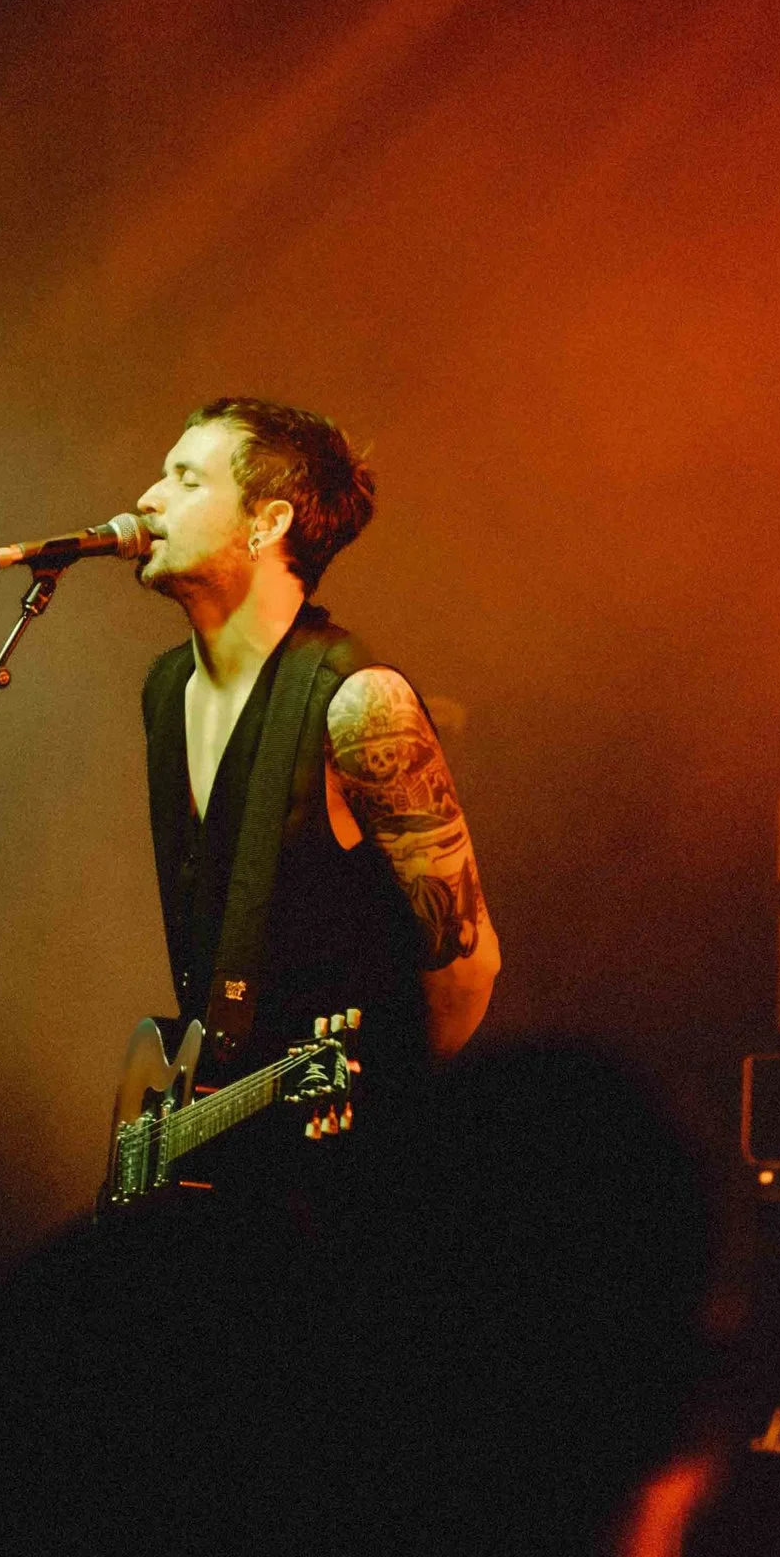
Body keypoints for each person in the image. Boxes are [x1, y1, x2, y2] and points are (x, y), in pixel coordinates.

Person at [130, 395, 499, 1118]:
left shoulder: (360, 703)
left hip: (338, 1158)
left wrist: (391, 1112)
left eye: (186, 478)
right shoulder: (164, 687)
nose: (148, 498)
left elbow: (467, 966)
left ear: (269, 522)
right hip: (226, 1128)